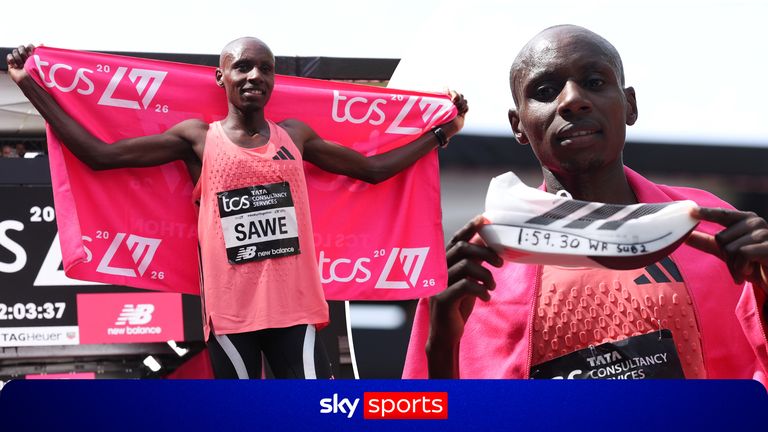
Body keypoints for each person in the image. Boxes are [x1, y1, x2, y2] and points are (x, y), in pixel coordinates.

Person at [7, 37, 468, 379]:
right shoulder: (197, 138)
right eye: (242, 67)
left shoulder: (295, 136)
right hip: (231, 316)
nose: (255, 77)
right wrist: (31, 86)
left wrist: (441, 133)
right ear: (220, 76)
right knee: (243, 419)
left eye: (265, 68)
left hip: (296, 310)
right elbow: (99, 155)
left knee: (312, 415)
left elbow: (373, 170)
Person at [403, 25, 768, 382]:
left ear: (629, 105)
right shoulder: (475, 263)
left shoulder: (713, 228)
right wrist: (441, 346)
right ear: (518, 125)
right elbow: (423, 411)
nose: (572, 100)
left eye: (594, 82)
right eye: (546, 91)